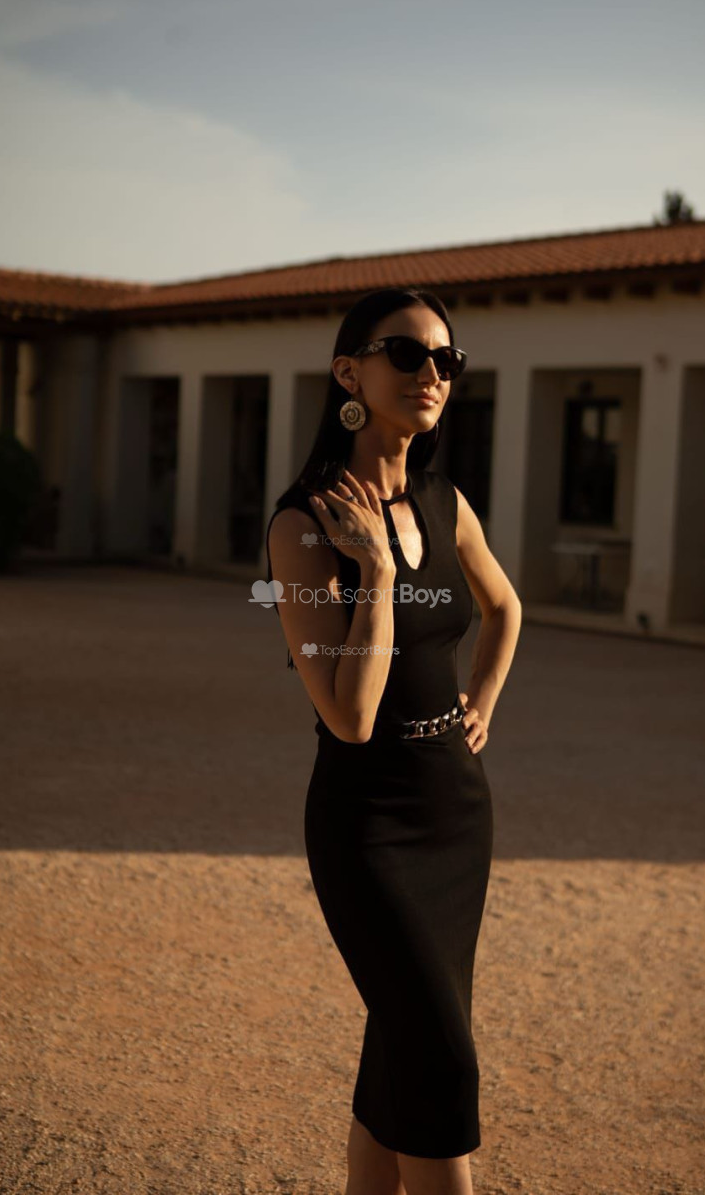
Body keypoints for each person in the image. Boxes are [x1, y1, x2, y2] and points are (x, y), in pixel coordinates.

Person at [266, 286, 522, 1195]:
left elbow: (505, 607)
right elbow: (351, 716)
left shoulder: (445, 501)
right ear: (349, 373)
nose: (431, 374)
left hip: (455, 808)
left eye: (446, 359)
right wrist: (373, 571)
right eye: (407, 354)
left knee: (405, 1047)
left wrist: (480, 699)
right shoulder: (301, 528)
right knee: (440, 1055)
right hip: (369, 823)